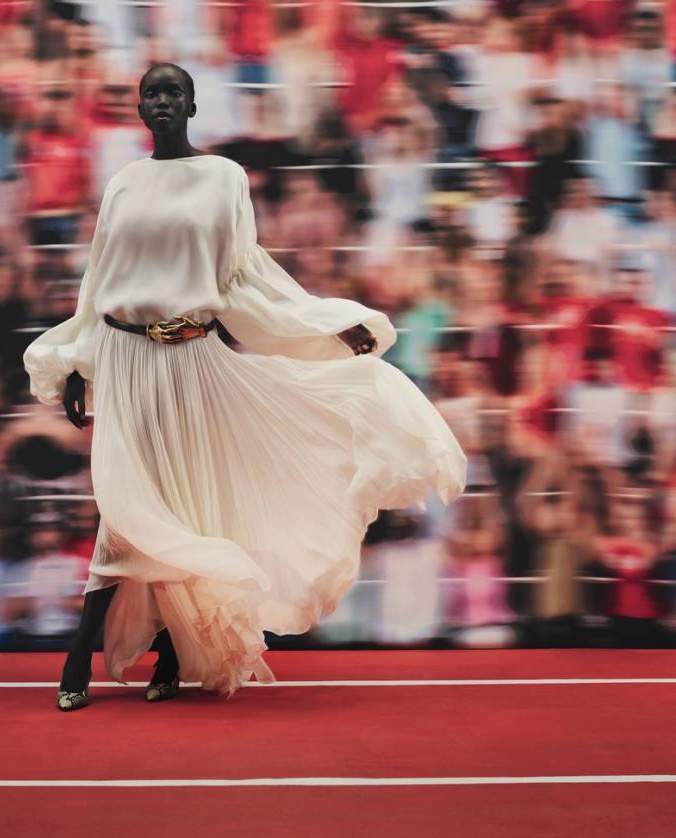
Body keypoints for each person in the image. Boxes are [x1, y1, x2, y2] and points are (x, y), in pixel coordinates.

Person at [23, 63, 467, 711]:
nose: (163, 101)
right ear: (140, 108)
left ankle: (169, 658)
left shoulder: (223, 178)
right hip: (124, 364)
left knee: (192, 505)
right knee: (124, 513)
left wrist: (325, 330)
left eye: (173, 91)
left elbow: (244, 278)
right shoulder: (123, 182)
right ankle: (79, 658)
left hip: (193, 360)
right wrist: (75, 364)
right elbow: (99, 288)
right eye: (152, 93)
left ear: (193, 103)